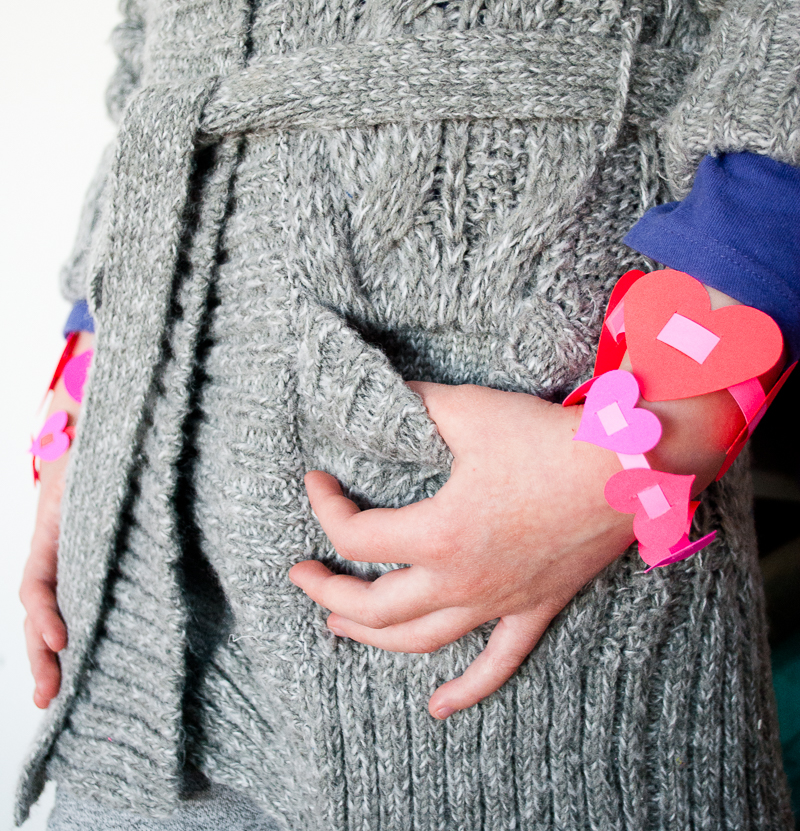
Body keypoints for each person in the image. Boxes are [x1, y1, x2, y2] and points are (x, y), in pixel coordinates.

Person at [16, 0, 800, 828]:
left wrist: (647, 442)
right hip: (149, 503)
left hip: (515, 502)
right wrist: (85, 395)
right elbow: (152, 52)